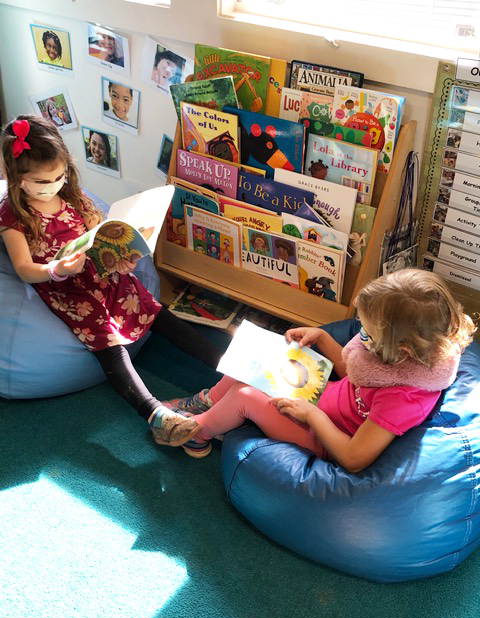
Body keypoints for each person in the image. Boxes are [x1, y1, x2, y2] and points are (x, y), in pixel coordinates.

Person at [0, 115, 223, 450]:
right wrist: (56, 269)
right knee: (108, 344)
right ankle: (157, 417)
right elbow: (23, 269)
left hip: (103, 274)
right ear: (16, 177)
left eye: (58, 177)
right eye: (41, 181)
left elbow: (99, 232)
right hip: (68, 290)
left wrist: (124, 252)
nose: (51, 186)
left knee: (157, 313)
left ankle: (228, 366)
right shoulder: (12, 214)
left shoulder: (73, 196)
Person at [165, 269, 475, 460]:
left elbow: (354, 457)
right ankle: (208, 403)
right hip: (321, 398)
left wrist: (312, 417)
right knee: (256, 357)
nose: (361, 335)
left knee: (246, 396)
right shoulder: (397, 355)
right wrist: (323, 339)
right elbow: (358, 375)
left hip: (323, 438)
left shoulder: (405, 398)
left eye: (367, 332)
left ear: (402, 348)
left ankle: (197, 433)